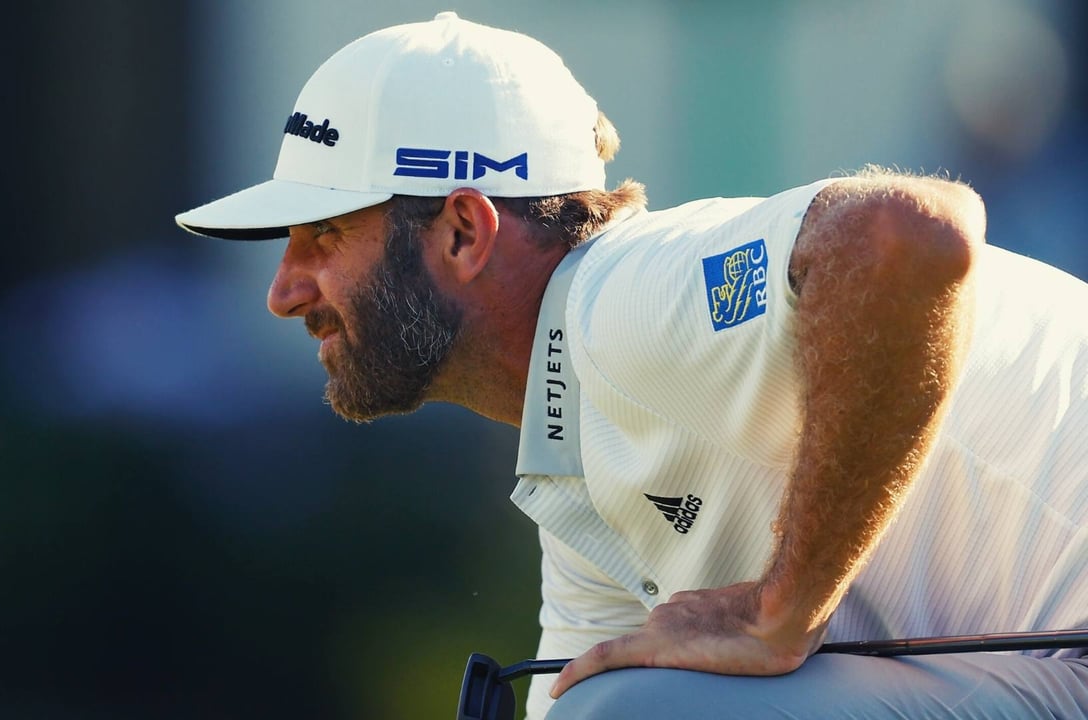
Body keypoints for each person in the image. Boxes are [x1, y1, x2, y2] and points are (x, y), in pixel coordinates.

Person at [176, 11, 1088, 719]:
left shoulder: (621, 296)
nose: (283, 291)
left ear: (463, 232)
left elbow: (909, 235)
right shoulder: (577, 474)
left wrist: (784, 610)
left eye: (325, 236)